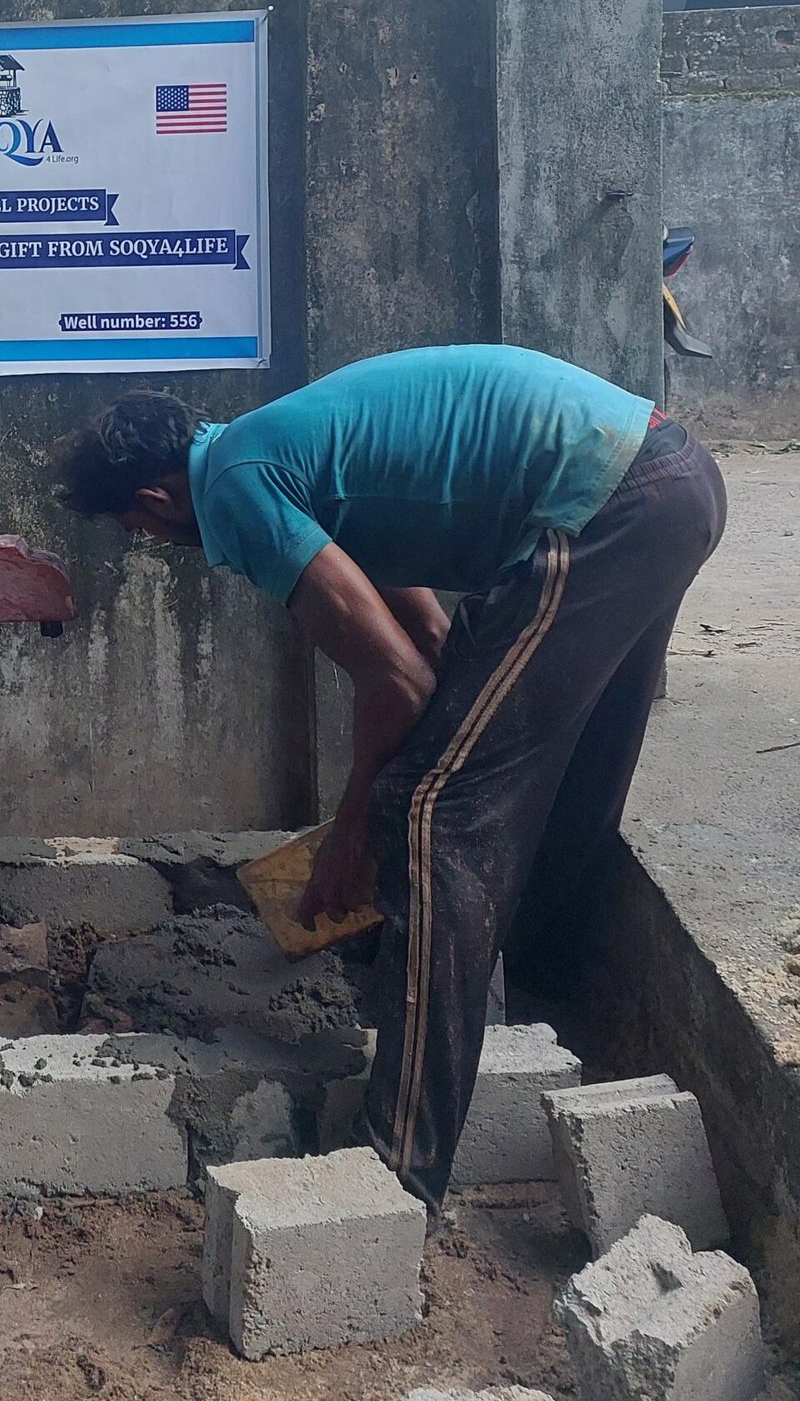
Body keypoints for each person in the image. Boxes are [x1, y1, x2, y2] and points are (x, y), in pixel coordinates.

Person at [49, 344, 725, 1210]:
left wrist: (354, 834)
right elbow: (435, 650)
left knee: (431, 814)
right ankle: (550, 1019)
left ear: (153, 499)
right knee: (556, 791)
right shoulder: (286, 451)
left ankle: (397, 1169)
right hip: (670, 482)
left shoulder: (235, 488)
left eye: (135, 528)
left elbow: (396, 682)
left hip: (606, 507)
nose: (148, 541)